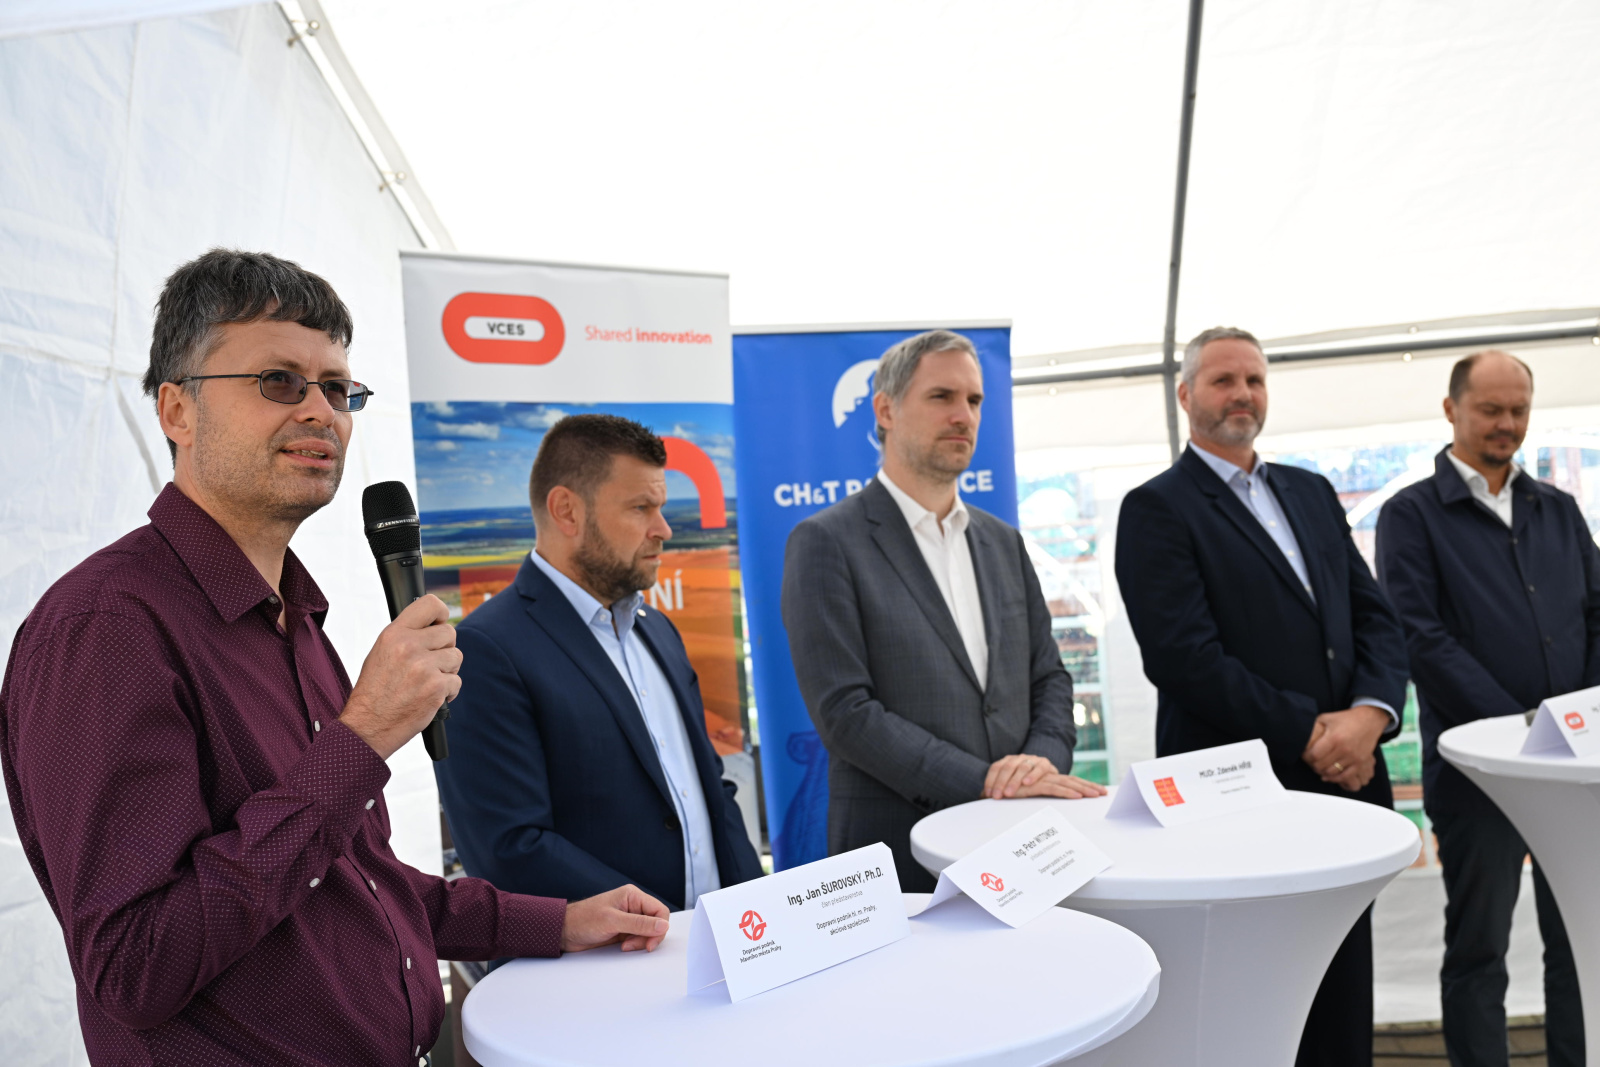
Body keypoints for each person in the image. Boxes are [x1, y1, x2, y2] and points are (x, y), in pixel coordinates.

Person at [0, 250, 668, 1067]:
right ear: (177, 410)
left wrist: (559, 921)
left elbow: (359, 880)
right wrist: (359, 741)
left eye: (338, 388)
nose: (321, 411)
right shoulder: (106, 628)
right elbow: (136, 963)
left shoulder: (299, 618)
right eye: (279, 381)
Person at [1114, 325, 1409, 1067]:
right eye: (1223, 380)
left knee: (1344, 987)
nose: (1242, 393)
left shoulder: (1310, 491)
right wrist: (1313, 733)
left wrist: (1370, 716)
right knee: (1258, 1004)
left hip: (1347, 783)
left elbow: (1373, 615)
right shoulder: (1156, 508)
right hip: (1236, 798)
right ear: (1186, 395)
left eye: (1254, 379)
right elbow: (1183, 658)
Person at [781, 329, 1100, 893]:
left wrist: (1039, 765)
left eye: (974, 400)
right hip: (900, 860)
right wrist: (988, 783)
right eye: (941, 397)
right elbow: (846, 714)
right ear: (885, 410)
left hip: (1024, 847)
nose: (964, 416)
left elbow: (1049, 677)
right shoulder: (826, 541)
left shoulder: (1003, 541)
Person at [436, 414, 762, 912]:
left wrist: (756, 909)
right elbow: (509, 848)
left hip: (721, 941)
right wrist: (660, 928)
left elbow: (710, 791)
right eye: (641, 508)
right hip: (614, 956)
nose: (664, 530)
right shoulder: (484, 650)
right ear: (567, 511)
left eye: (661, 508)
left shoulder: (658, 630)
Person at [1376, 351, 1595, 1067]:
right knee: (1478, 948)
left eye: (1519, 410)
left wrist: (1578, 719)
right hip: (1477, 777)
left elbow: (1597, 614)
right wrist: (1519, 732)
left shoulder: (1557, 509)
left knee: (1580, 941)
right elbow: (1420, 636)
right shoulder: (1411, 515)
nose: (1507, 424)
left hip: (1571, 771)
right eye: (1490, 410)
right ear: (1451, 409)